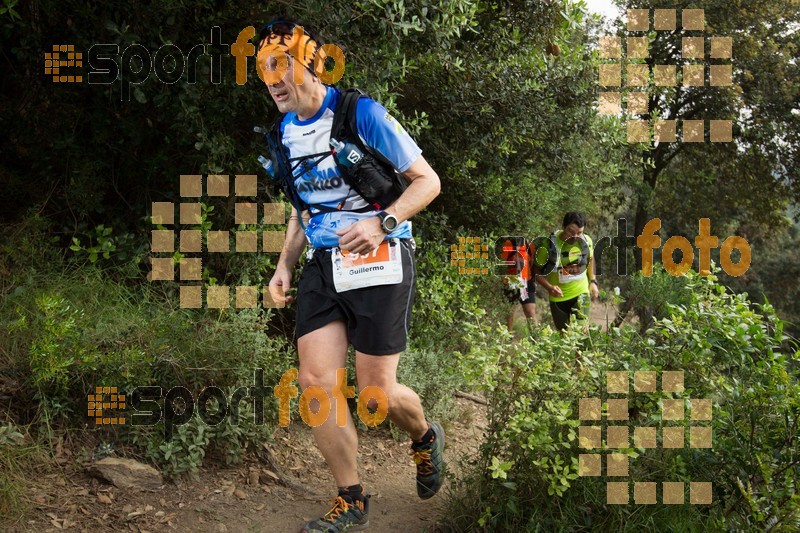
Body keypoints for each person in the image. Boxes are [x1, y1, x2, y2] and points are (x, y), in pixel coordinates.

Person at [258, 19, 444, 533]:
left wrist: (382, 222)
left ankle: (425, 437)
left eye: (280, 64)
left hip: (381, 258)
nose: (272, 78)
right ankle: (352, 498)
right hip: (324, 266)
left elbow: (427, 183)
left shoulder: (360, 113)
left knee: (374, 397)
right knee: (315, 385)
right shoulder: (282, 134)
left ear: (309, 64)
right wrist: (285, 264)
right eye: (262, 68)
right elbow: (303, 208)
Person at [536, 212, 600, 331]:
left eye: (579, 232)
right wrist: (549, 287)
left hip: (581, 293)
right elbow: (536, 272)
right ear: (563, 227)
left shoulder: (586, 241)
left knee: (581, 334)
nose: (575, 236)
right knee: (564, 338)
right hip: (558, 298)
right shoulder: (548, 245)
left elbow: (590, 259)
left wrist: (593, 281)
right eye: (571, 232)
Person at [500, 237, 537, 335]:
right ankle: (507, 340)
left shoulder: (530, 245)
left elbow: (532, 263)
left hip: (527, 282)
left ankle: (536, 339)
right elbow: (502, 264)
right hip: (511, 282)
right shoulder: (507, 244)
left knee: (530, 312)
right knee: (509, 313)